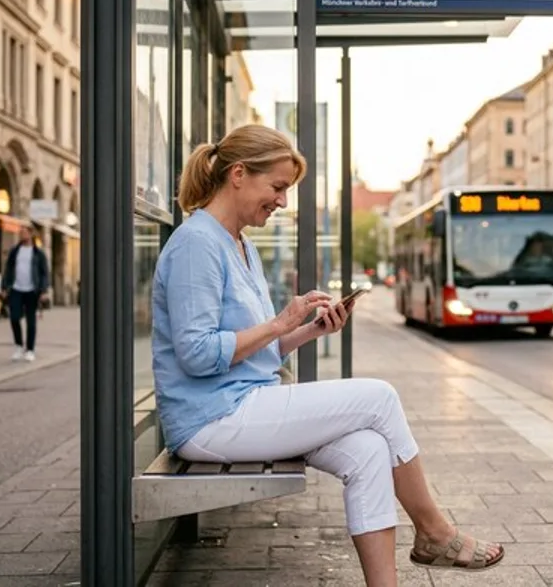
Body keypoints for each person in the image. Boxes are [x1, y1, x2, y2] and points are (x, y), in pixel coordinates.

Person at [152, 125, 503, 586]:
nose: (281, 201)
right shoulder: (197, 243)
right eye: (277, 187)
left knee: (370, 449)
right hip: (211, 418)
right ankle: (435, 532)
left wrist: (306, 331)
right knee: (379, 398)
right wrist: (280, 322)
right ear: (238, 174)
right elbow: (197, 355)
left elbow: (254, 350)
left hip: (245, 402)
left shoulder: (241, 245)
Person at [1, 225, 50, 361]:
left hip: (32, 290)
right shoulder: (15, 251)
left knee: (31, 321)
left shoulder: (38, 253)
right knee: (14, 317)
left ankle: (30, 349)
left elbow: (44, 273)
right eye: (20, 233)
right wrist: (4, 287)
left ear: (31, 234)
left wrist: (44, 290)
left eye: (24, 233)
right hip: (16, 289)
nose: (22, 235)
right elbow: (8, 269)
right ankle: (18, 345)